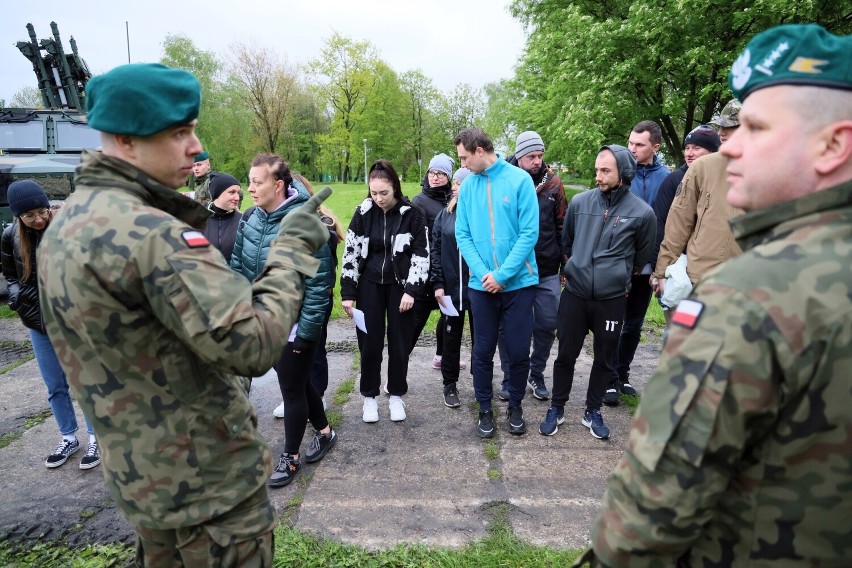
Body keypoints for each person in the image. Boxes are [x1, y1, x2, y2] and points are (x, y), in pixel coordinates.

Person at [37, 63, 332, 565]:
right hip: (208, 493)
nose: (196, 147)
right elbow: (254, 345)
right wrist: (293, 248)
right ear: (127, 139)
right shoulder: (153, 235)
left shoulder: (70, 224)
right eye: (179, 132)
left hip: (146, 482)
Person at [582, 23, 852, 565]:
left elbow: (646, 518)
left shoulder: (754, 296)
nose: (733, 150)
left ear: (833, 144)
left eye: (755, 128)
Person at [231, 155, 336, 489]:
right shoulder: (251, 218)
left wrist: (305, 335)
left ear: (278, 185)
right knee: (300, 384)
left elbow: (319, 284)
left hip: (291, 326)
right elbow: (237, 266)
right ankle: (325, 432)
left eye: (257, 182)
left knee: (291, 391)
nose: (249, 188)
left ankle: (290, 458)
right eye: (249, 181)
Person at [539, 145, 655, 439]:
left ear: (624, 174)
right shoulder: (580, 202)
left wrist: (616, 278)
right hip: (575, 296)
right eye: (596, 170)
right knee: (565, 355)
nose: (598, 176)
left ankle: (593, 411)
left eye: (605, 171)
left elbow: (642, 258)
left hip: (612, 300)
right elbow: (567, 243)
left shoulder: (643, 214)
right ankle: (557, 407)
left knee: (604, 358)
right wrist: (575, 269)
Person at [1, 180, 99, 471]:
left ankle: (95, 439)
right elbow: (9, 275)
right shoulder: (10, 236)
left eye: (42, 211)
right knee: (55, 385)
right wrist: (19, 297)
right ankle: (68, 437)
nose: (39, 219)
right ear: (18, 216)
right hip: (37, 323)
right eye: (29, 215)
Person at [454, 127, 539, 438]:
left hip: (519, 284)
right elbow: (462, 234)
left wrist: (502, 275)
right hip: (481, 287)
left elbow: (529, 233)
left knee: (518, 350)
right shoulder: (468, 188)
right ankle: (485, 408)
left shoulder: (519, 180)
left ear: (479, 151)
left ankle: (515, 404)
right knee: (482, 351)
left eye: (464, 157)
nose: (461, 164)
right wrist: (482, 273)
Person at [340, 159, 428, 423]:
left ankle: (396, 394)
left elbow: (421, 255)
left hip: (400, 288)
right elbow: (351, 254)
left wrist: (412, 290)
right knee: (369, 343)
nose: (378, 198)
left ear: (395, 188)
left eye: (384, 193)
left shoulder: (413, 214)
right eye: (373, 192)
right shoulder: (363, 213)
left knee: (400, 343)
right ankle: (369, 396)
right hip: (369, 287)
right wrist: (348, 292)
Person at [498, 131, 568, 402]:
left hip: (546, 268)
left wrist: (565, 266)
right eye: (531, 156)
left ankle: (535, 372)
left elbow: (562, 225)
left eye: (540, 156)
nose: (537, 161)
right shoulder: (506, 180)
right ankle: (508, 374)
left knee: (547, 322)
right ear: (519, 156)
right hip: (512, 269)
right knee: (509, 326)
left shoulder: (553, 184)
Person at [604, 121, 670, 405]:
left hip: (647, 267)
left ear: (655, 147)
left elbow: (667, 223)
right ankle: (606, 378)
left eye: (639, 144)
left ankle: (622, 374)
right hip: (617, 265)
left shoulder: (667, 179)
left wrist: (658, 265)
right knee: (611, 323)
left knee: (633, 325)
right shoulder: (618, 175)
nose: (632, 149)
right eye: (630, 143)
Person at [272, 173, 344, 418]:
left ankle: (318, 396)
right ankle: (293, 396)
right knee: (286, 354)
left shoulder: (323, 222)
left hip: (316, 297)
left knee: (314, 351)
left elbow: (322, 261)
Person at [653, 124, 742, 298]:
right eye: (721, 126)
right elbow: (678, 221)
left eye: (731, 126)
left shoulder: (773, 170)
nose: (722, 132)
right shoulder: (702, 167)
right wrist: (662, 270)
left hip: (747, 280)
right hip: (699, 276)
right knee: (688, 325)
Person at [411, 153, 464, 372]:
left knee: (448, 316)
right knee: (415, 322)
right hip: (425, 272)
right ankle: (398, 366)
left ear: (449, 177)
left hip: (447, 271)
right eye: (432, 172)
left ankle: (441, 355)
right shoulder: (419, 201)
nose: (435, 177)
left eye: (441, 173)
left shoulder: (450, 201)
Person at [431, 167, 474, 408]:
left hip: (479, 289)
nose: (454, 186)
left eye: (460, 182)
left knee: (482, 339)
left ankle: (481, 382)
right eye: (454, 182)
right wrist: (438, 284)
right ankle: (449, 384)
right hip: (450, 289)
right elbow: (435, 251)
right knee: (451, 338)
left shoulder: (481, 213)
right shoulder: (444, 215)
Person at [651, 124, 722, 270]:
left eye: (696, 148)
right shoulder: (673, 181)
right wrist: (658, 268)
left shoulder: (726, 179)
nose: (689, 153)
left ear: (713, 151)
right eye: (687, 147)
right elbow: (661, 224)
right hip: (679, 264)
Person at [202, 172, 242, 263]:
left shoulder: (244, 221)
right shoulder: (197, 221)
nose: (237, 198)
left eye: (238, 193)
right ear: (217, 193)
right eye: (232, 192)